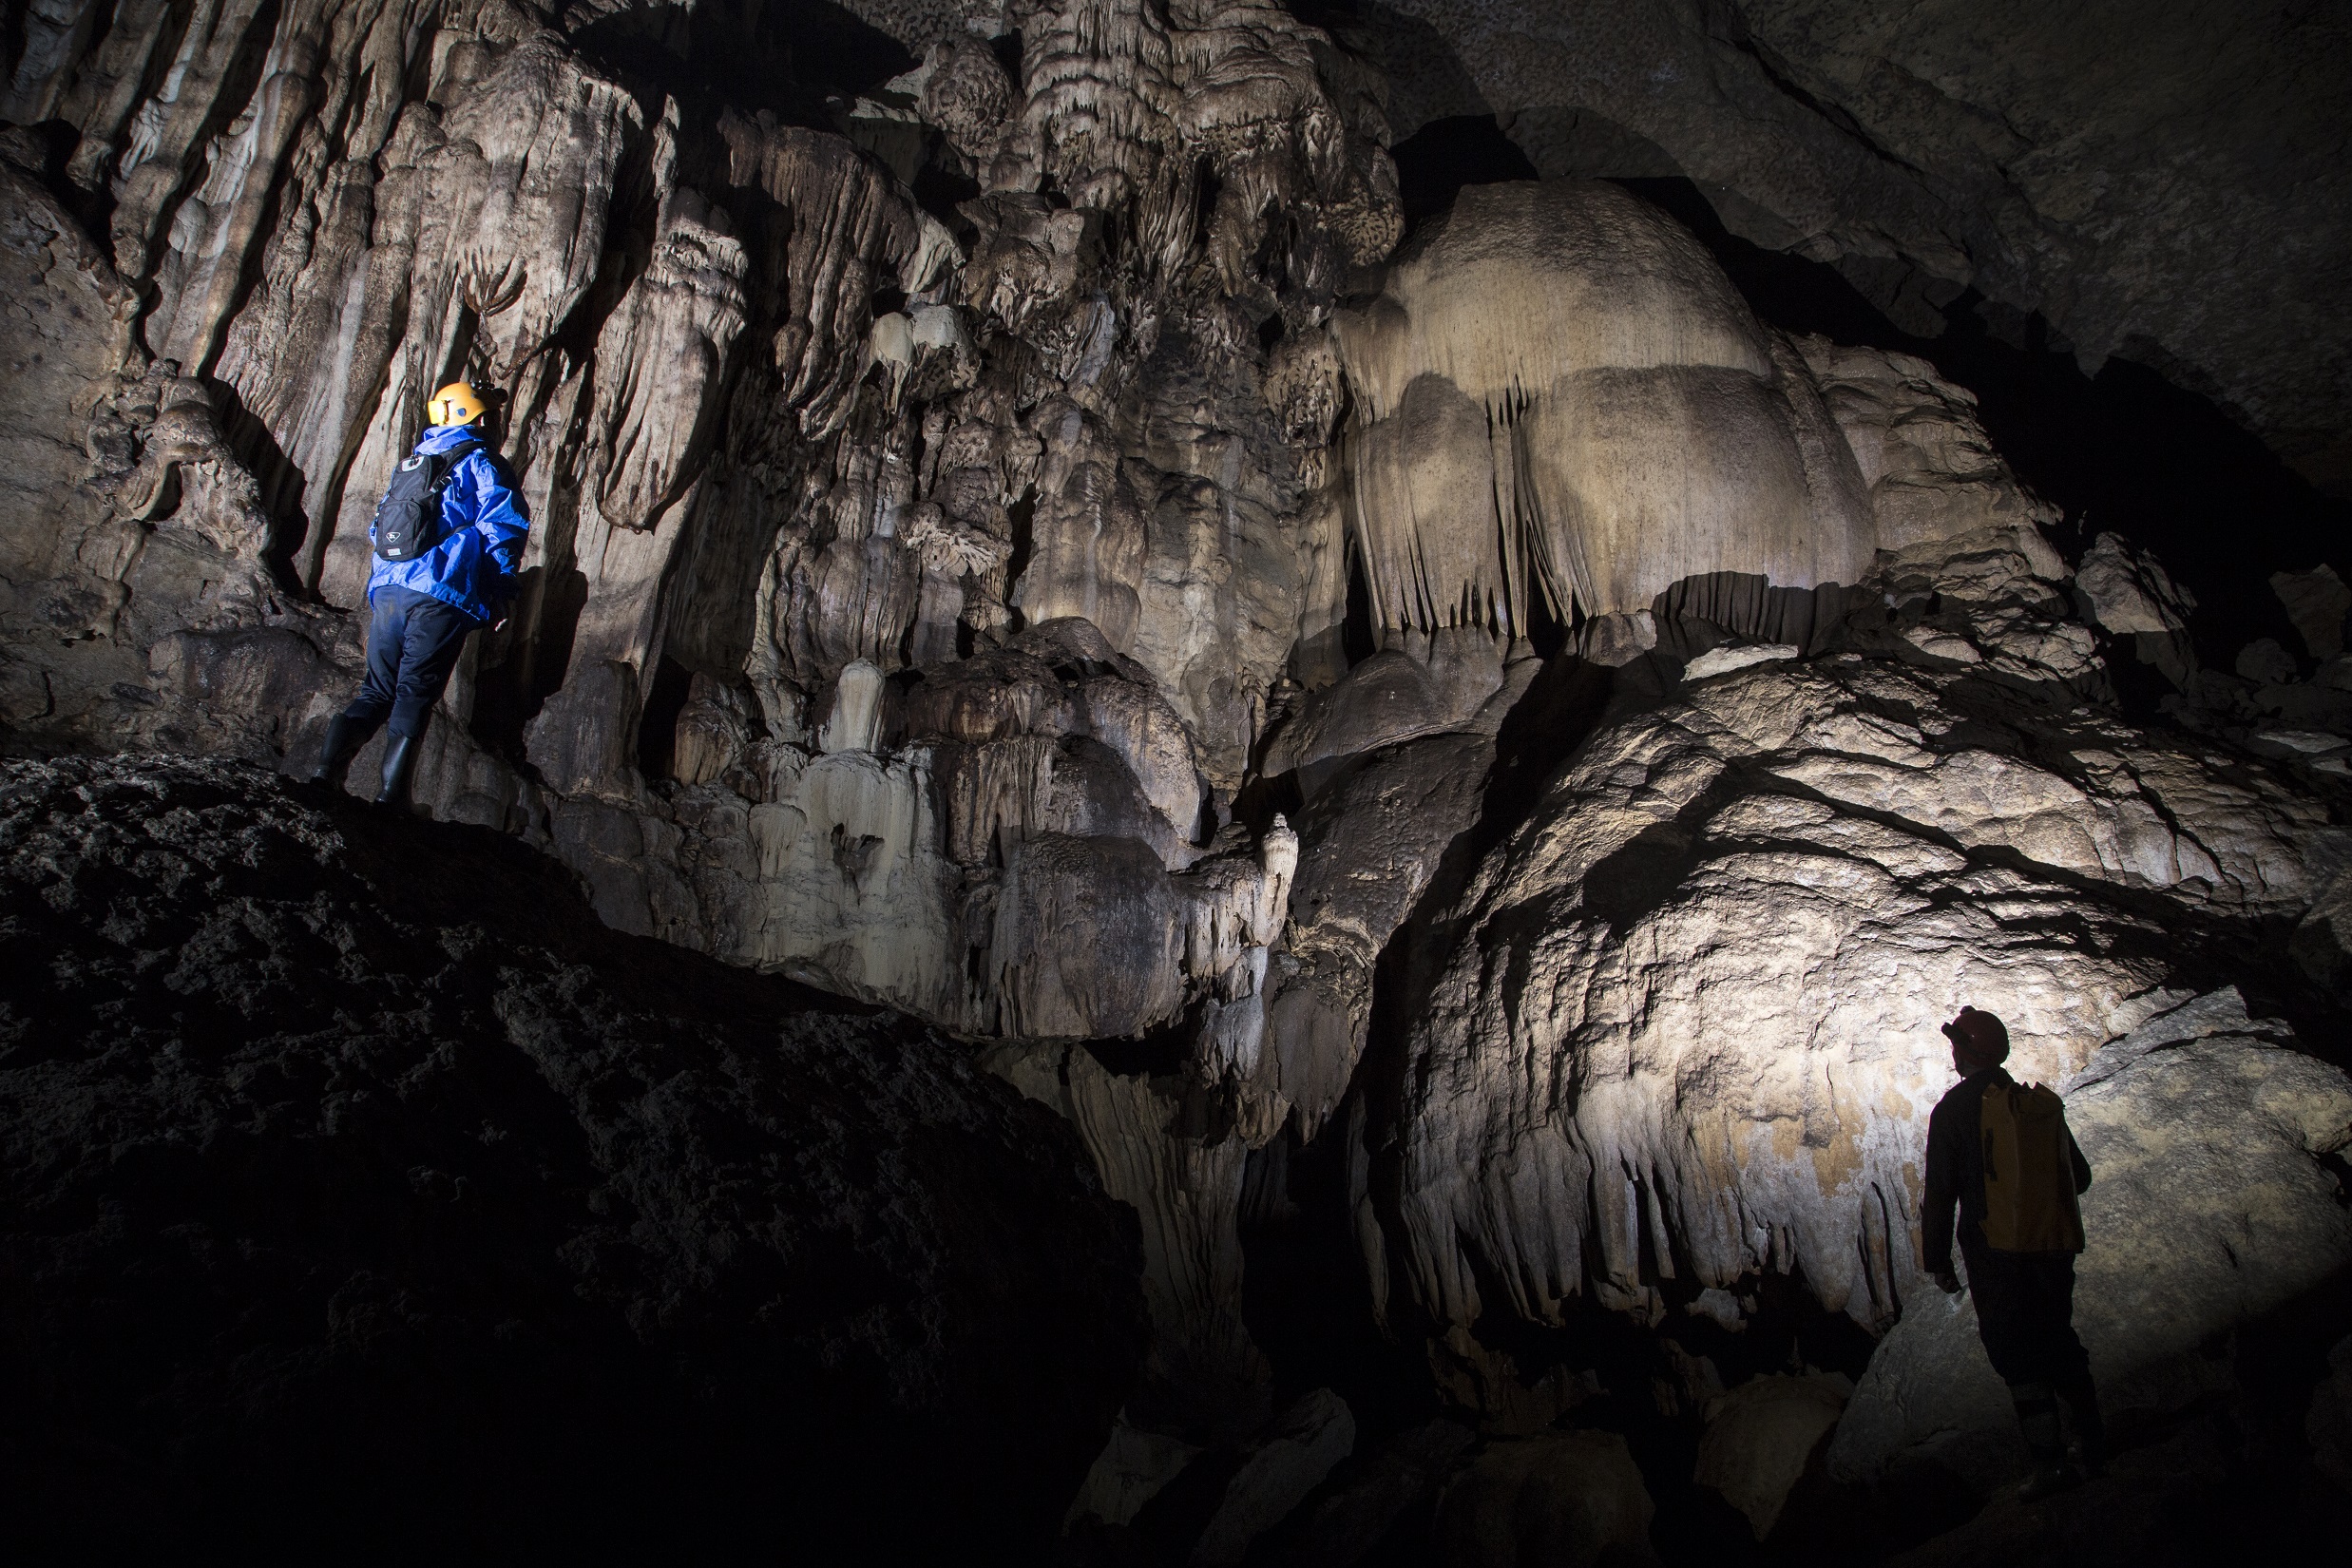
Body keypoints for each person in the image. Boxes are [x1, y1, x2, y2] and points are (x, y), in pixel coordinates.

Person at [310, 382, 529, 809]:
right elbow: (501, 528)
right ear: (480, 419)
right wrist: (501, 589)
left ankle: (325, 774)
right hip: (438, 591)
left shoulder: (412, 464)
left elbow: (379, 528)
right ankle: (392, 797)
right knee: (414, 693)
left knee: (376, 690)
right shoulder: (483, 462)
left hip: (388, 589)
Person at [1922, 1005, 2104, 1500]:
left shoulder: (1953, 1110)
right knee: (2059, 1341)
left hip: (1996, 1255)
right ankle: (2094, 1445)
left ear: (1966, 1054)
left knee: (2017, 1355)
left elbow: (1939, 1194)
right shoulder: (2033, 1103)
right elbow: (2080, 1177)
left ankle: (2050, 1465)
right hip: (2050, 1247)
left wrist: (1937, 1260)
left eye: (1956, 1045)